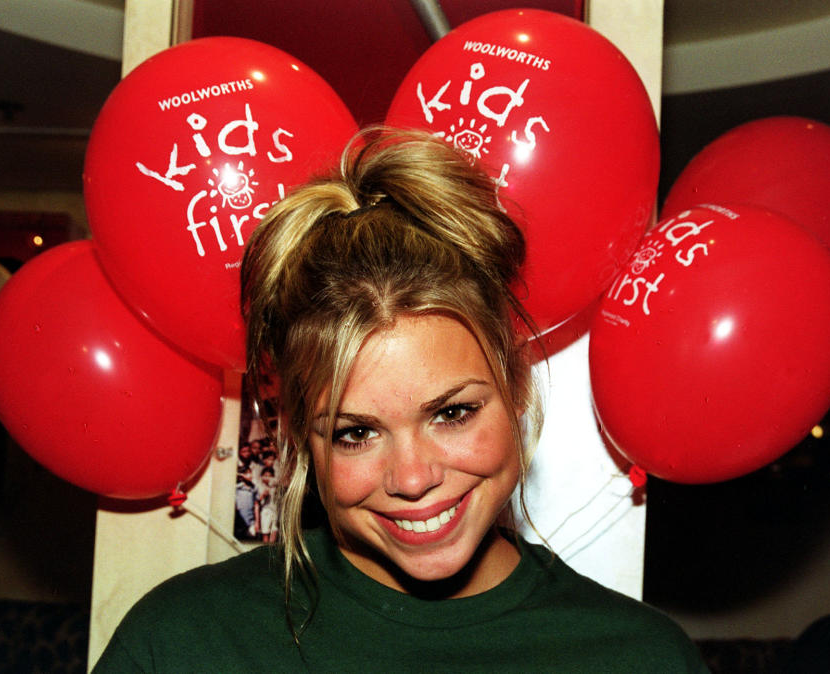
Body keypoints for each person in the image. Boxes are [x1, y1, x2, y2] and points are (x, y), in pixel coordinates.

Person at [93, 128, 707, 672]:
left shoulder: (640, 658)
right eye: (355, 432)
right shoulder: (183, 643)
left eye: (452, 413)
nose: (412, 479)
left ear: (517, 387)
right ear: (301, 433)